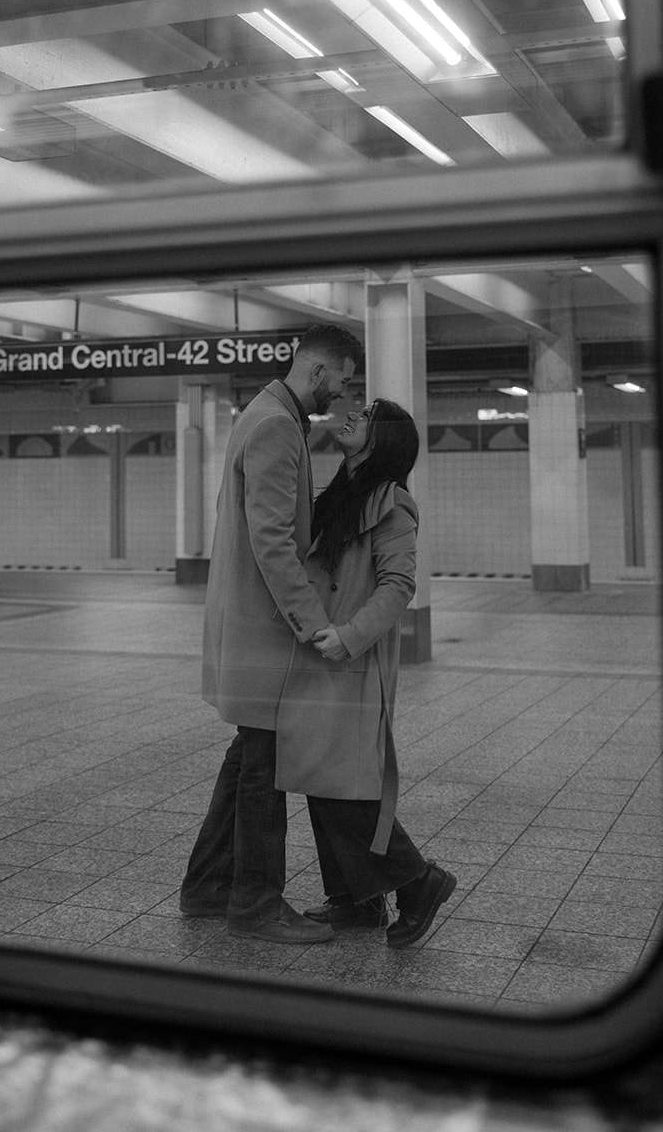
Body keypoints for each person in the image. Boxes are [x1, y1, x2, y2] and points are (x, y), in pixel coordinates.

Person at [180, 322, 364, 944]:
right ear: (317, 370)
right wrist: (317, 627)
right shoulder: (277, 427)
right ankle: (255, 904)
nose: (340, 396)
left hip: (250, 624)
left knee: (245, 761)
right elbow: (273, 542)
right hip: (265, 634)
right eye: (341, 381)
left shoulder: (263, 413)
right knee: (265, 769)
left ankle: (207, 887)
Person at [274, 398, 457, 950]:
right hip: (320, 655)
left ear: (385, 441)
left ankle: (419, 880)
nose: (352, 415)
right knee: (320, 779)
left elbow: (399, 586)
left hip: (351, 661)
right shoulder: (340, 494)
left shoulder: (393, 505)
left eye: (368, 416)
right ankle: (357, 900)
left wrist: (350, 636)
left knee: (341, 787)